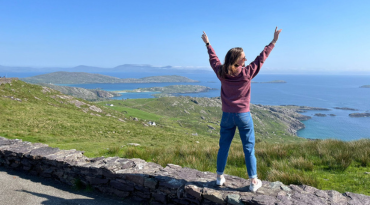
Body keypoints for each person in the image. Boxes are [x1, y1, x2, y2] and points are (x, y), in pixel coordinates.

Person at [201, 27, 282, 192]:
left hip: (226, 116)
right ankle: (253, 181)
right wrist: (273, 41)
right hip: (243, 115)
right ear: (237, 60)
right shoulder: (247, 73)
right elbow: (262, 58)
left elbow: (213, 59)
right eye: (243, 56)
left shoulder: (222, 73)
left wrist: (208, 44)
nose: (246, 58)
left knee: (223, 146)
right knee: (248, 147)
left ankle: (219, 177)